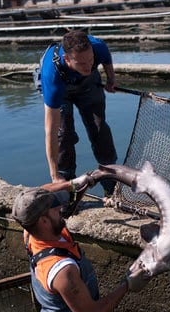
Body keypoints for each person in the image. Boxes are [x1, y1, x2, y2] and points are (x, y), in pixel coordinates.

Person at [11, 173, 150, 312]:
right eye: (56, 210)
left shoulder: (31, 229)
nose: (61, 209)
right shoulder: (62, 271)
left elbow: (35, 197)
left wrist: (74, 184)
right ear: (43, 221)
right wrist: (127, 284)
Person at [36, 30, 118, 197]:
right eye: (82, 63)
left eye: (90, 60)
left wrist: (111, 80)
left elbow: (106, 58)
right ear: (67, 59)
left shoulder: (98, 47)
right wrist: (54, 175)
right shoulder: (51, 77)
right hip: (62, 85)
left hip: (88, 84)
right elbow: (50, 132)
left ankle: (111, 186)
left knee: (99, 128)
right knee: (63, 134)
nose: (88, 66)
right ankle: (67, 187)